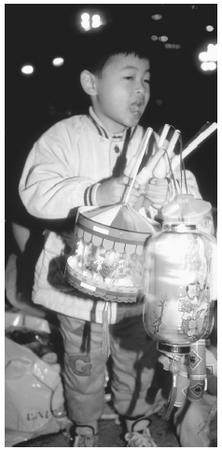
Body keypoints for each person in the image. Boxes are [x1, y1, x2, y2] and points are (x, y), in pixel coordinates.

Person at [18, 29, 200, 446]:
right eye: (129, 77)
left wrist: (169, 197)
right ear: (91, 83)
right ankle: (84, 425)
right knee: (81, 364)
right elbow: (35, 191)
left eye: (148, 79)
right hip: (74, 291)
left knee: (138, 363)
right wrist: (95, 191)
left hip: (137, 293)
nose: (142, 90)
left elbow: (190, 200)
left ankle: (136, 422)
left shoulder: (157, 145)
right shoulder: (63, 137)